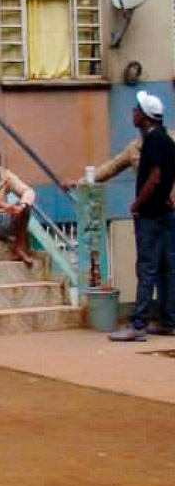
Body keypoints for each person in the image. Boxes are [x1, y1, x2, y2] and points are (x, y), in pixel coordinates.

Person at [109, 91, 175, 341]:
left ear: (146, 116)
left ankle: (137, 325)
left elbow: (155, 176)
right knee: (168, 268)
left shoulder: (153, 141)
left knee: (146, 268)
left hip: (151, 214)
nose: (133, 112)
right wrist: (167, 196)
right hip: (166, 213)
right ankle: (168, 321)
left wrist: (137, 203)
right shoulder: (167, 140)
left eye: (137, 109)